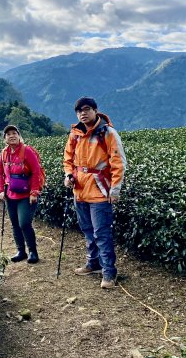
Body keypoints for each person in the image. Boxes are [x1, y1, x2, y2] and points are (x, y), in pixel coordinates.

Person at [63, 97, 126, 289]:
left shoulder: (107, 133)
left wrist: (115, 190)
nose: (83, 113)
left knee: (102, 233)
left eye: (87, 109)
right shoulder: (75, 134)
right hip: (80, 191)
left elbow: (118, 163)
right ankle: (93, 264)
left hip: (100, 191)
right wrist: (68, 175)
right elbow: (68, 159)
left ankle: (109, 273)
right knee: (88, 230)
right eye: (79, 111)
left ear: (95, 110)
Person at [0, 125, 42, 264]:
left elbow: (36, 171)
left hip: (26, 195)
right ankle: (21, 251)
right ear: (5, 138)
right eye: (8, 134)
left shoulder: (27, 151)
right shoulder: (4, 153)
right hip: (10, 194)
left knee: (24, 223)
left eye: (14, 133)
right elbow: (0, 173)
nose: (12, 136)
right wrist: (1, 190)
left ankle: (33, 251)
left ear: (19, 135)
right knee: (15, 224)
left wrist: (34, 192)